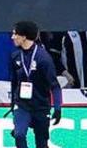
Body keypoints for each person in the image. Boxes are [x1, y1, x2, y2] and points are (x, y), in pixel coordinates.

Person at [9, 19, 63, 148]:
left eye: (15, 34)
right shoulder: (15, 56)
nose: (12, 37)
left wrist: (57, 107)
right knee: (19, 135)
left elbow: (54, 85)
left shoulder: (43, 58)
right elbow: (14, 82)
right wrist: (13, 103)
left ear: (24, 37)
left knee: (41, 143)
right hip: (22, 105)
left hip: (40, 106)